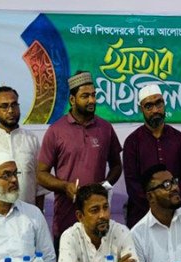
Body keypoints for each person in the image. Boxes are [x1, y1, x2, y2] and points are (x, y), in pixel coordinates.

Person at [37, 71, 123, 250]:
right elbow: (41, 173)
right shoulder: (56, 131)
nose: (91, 100)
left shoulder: (105, 128)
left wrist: (105, 186)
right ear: (72, 99)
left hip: (97, 220)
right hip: (66, 219)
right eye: (85, 96)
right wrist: (65, 186)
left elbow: (116, 165)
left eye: (93, 95)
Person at [123, 84, 181, 228]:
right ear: (141, 109)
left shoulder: (179, 139)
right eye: (149, 106)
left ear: (164, 104)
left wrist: (171, 204)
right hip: (142, 217)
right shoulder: (132, 142)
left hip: (176, 212)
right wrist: (155, 208)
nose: (155, 110)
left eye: (158, 104)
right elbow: (132, 184)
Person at [57, 184, 142, 262]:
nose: (103, 215)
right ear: (80, 216)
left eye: (105, 207)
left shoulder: (121, 232)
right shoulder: (70, 237)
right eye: (95, 210)